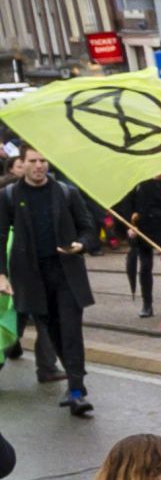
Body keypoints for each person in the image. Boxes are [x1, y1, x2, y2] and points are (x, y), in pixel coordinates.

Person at [1, 148, 95, 418]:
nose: (39, 166)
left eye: (43, 160)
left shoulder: (66, 192)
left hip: (66, 274)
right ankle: (75, 384)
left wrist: (82, 244)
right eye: (33, 161)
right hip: (31, 277)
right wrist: (1, 275)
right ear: (22, 163)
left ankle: (77, 391)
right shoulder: (9, 196)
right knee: (53, 332)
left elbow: (87, 227)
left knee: (71, 332)